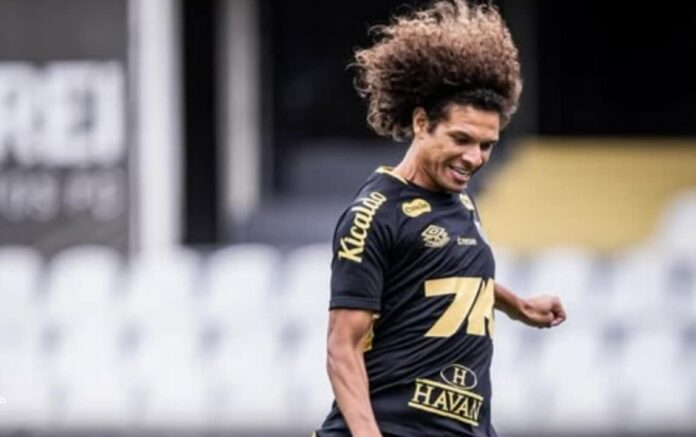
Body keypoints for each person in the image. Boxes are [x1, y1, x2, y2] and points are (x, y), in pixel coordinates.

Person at [314, 1, 566, 436]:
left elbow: (445, 277)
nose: (474, 157)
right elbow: (342, 347)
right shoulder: (374, 214)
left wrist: (519, 306)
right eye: (461, 138)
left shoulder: (460, 201)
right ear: (420, 123)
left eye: (486, 145)